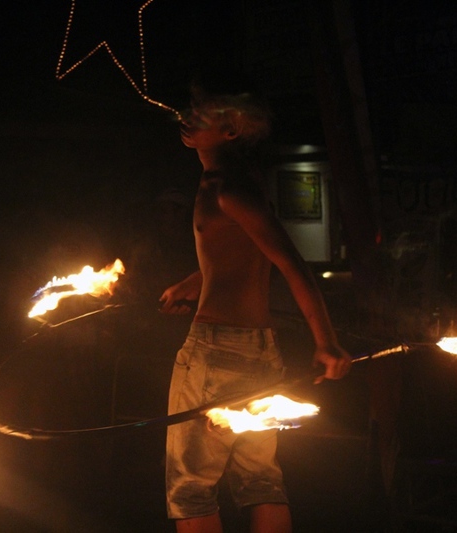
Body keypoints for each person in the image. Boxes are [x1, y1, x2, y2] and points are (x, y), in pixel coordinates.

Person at [159, 73, 353, 533]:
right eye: (190, 105)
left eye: (203, 112)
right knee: (261, 480)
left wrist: (327, 343)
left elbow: (290, 264)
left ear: (231, 130)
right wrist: (194, 281)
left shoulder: (227, 188)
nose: (187, 117)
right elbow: (242, 253)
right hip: (259, 355)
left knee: (190, 488)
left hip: (214, 353)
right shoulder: (238, 182)